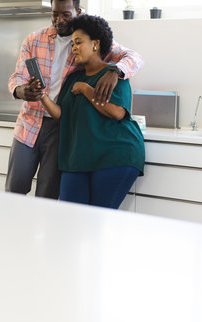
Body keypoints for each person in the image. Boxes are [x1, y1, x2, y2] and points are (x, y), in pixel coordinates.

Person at [6, 0, 144, 199]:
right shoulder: (34, 40)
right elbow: (17, 77)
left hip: (60, 125)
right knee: (13, 190)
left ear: (78, 11)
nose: (59, 20)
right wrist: (22, 90)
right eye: (54, 14)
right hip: (29, 122)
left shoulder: (88, 39)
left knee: (47, 193)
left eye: (65, 15)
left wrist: (116, 70)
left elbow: (134, 57)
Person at [40, 14, 145, 208]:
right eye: (72, 44)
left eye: (78, 42)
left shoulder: (113, 75)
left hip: (115, 156)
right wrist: (42, 95)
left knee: (98, 219)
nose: (74, 49)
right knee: (70, 218)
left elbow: (117, 113)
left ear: (96, 44)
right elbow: (62, 115)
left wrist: (86, 89)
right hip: (77, 159)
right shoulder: (73, 78)